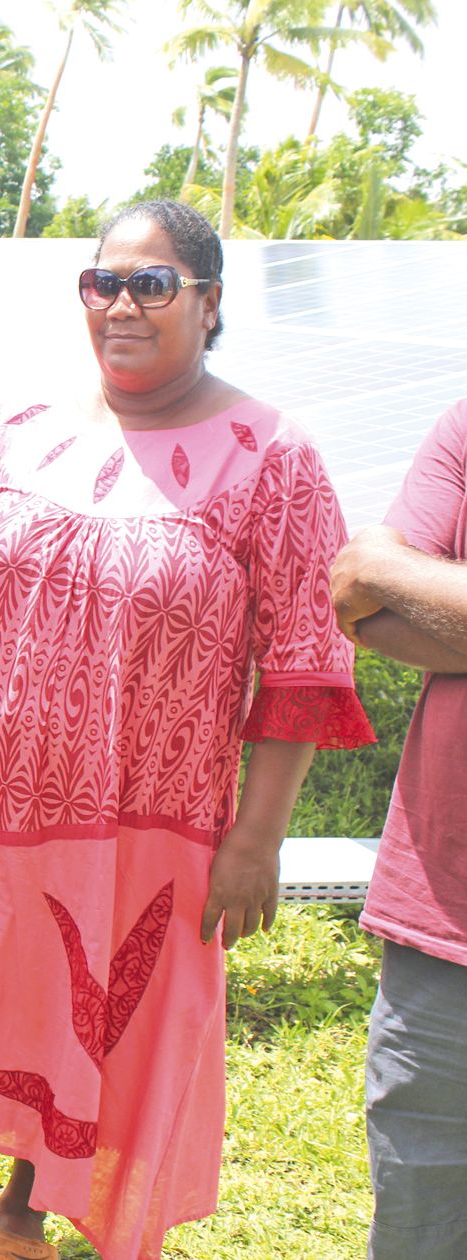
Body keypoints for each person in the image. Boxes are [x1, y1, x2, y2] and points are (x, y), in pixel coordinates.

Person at [0, 200, 374, 1259]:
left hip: (141, 812)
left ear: (209, 304)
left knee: (87, 1006)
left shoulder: (273, 458)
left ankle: (25, 1211)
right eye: (101, 282)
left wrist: (258, 837)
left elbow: (303, 659)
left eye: (152, 285)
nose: (120, 304)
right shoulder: (8, 427)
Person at [330, 403, 467, 1260]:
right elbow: (360, 593)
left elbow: (392, 576)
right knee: (419, 1224)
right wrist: (384, 569)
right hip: (443, 924)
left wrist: (415, 576)